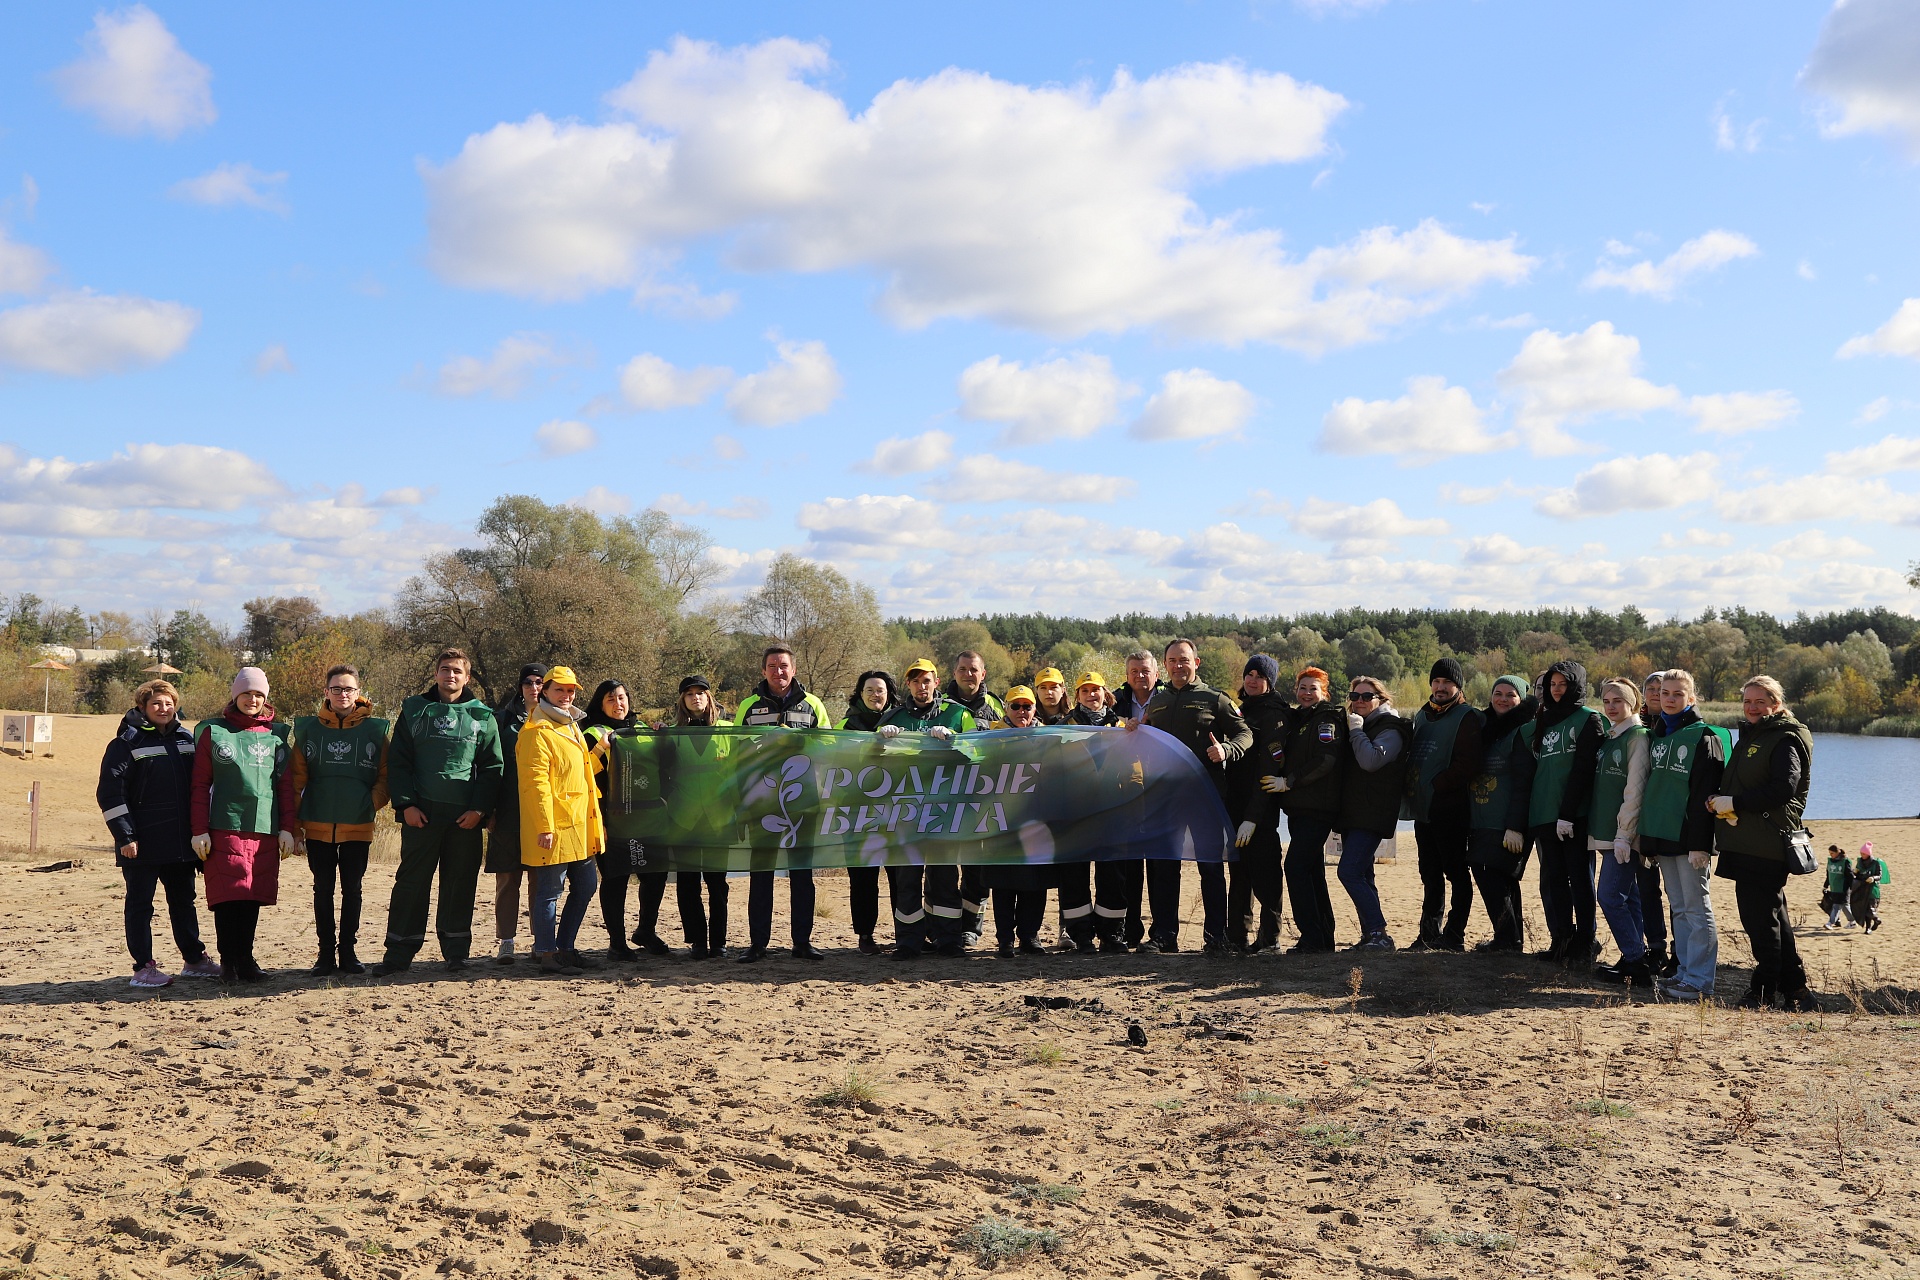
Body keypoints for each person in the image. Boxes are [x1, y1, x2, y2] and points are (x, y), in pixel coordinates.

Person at [373, 649, 504, 976]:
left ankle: (456, 952)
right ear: (436, 674)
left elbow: (492, 768)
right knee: (411, 883)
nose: (451, 675)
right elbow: (399, 762)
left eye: (457, 671)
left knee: (460, 883)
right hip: (422, 815)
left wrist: (479, 810)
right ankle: (398, 953)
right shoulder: (415, 710)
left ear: (467, 677)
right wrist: (406, 805)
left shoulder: (482, 715)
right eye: (445, 669)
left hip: (465, 819)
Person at [98, 678, 220, 988]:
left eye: (168, 703)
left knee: (184, 902)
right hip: (141, 843)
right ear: (142, 707)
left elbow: (202, 787)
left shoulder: (187, 739)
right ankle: (143, 968)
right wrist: (125, 836)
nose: (163, 708)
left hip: (180, 842)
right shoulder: (125, 743)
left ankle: (194, 960)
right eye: (156, 703)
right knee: (140, 906)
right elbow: (111, 793)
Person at [1709, 675, 1816, 1011]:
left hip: (1766, 844)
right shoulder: (1755, 735)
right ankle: (1797, 991)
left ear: (1776, 703)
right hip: (1748, 841)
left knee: (1760, 921)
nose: (1752, 707)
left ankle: (1763, 991)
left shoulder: (1784, 738)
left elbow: (1784, 788)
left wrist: (1735, 803)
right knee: (1773, 917)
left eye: (1760, 701)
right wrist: (1721, 800)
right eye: (1747, 701)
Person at [1136, 638, 1249, 955]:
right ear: (1165, 665)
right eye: (1172, 661)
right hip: (1164, 799)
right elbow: (1144, 737)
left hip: (1205, 797)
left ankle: (1216, 937)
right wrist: (1133, 729)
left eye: (1184, 660)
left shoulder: (1215, 699)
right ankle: (1164, 936)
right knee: (1163, 867)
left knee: (1210, 867)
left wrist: (1226, 750)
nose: (1178, 666)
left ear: (1196, 663)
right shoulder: (1157, 703)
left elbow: (1245, 734)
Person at [189, 667, 298, 982]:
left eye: (258, 694)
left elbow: (285, 787)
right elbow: (200, 785)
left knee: (252, 897)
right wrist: (199, 830)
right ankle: (228, 962)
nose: (252, 699)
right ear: (235, 695)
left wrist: (288, 828)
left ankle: (246, 960)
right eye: (246, 693)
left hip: (264, 830)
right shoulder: (214, 733)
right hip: (224, 828)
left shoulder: (277, 737)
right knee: (228, 897)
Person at [734, 643, 835, 963]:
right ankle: (757, 944)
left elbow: (831, 747)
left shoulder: (813, 704)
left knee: (802, 874)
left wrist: (798, 742)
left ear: (794, 670)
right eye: (772, 666)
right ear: (763, 670)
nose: (778, 671)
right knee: (761, 873)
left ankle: (802, 942)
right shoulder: (749, 705)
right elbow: (738, 752)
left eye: (784, 666)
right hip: (762, 802)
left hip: (803, 801)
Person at [289, 665, 389, 977]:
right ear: (326, 692)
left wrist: (370, 803)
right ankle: (324, 954)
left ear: (358, 693)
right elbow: (295, 780)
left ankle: (348, 952)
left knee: (353, 889)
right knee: (322, 889)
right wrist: (295, 827)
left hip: (357, 826)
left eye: (348, 689)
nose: (342, 694)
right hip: (318, 826)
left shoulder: (375, 731)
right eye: (336, 689)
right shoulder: (308, 730)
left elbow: (386, 776)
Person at [877, 658, 978, 957]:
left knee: (945, 877)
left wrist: (955, 741)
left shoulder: (958, 715)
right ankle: (908, 942)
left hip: (945, 811)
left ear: (936, 682)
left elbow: (979, 752)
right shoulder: (893, 717)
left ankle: (948, 939)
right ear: (908, 684)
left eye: (927, 680)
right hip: (905, 812)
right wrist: (879, 741)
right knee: (907, 879)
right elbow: (868, 762)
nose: (922, 686)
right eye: (916, 681)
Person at [1639, 668, 1728, 1002]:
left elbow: (1704, 795)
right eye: (1665, 693)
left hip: (1690, 840)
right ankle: (1685, 973)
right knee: (1678, 907)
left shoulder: (1704, 737)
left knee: (1696, 907)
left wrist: (1700, 845)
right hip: (1664, 836)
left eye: (1678, 694)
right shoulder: (1659, 734)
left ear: (1691, 698)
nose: (1670, 699)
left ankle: (1701, 981)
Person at [1515, 660, 1604, 965]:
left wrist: (1567, 813)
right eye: (1552, 684)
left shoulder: (1589, 719)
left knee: (1580, 879)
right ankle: (1562, 940)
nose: (1556, 690)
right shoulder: (1544, 720)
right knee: (1555, 880)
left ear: (1576, 686)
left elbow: (1583, 771)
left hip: (1573, 815)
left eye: (1563, 684)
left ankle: (1586, 942)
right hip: (1544, 813)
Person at [517, 665, 603, 975]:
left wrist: (600, 750)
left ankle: (566, 948)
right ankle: (547, 953)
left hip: (579, 825)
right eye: (560, 690)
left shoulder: (570, 724)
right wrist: (545, 827)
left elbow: (579, 771)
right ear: (545, 691)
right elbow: (535, 785)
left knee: (586, 886)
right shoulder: (536, 731)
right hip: (554, 827)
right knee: (550, 892)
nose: (566, 695)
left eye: (570, 690)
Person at [582, 679, 667, 961]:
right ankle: (617, 943)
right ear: (600, 704)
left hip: (649, 820)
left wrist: (664, 737)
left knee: (655, 877)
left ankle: (646, 931)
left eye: (621, 698)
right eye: (610, 699)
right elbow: (584, 774)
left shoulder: (644, 730)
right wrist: (599, 748)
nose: (618, 704)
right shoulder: (592, 733)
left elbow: (665, 765)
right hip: (612, 822)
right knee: (615, 880)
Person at [1405, 657, 1485, 952]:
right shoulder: (1423, 715)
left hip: (1449, 809)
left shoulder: (1468, 717)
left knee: (1456, 873)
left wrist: (1438, 785)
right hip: (1423, 810)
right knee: (1429, 873)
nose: (1440, 687)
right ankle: (1428, 935)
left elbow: (1469, 764)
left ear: (1458, 686)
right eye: (1436, 681)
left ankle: (1454, 935)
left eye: (1447, 682)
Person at [1266, 667, 1345, 953]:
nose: (1307, 693)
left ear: (1325, 692)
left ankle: (1311, 936)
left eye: (1314, 688)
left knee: (1295, 867)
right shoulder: (1300, 718)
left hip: (1317, 807)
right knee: (1312, 871)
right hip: (1299, 808)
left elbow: (1325, 760)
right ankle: (1323, 938)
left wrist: (1290, 781)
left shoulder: (1327, 720)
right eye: (1303, 688)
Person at [1336, 675, 1410, 952]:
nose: (1360, 701)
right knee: (1364, 875)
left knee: (1349, 871)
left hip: (1372, 814)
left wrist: (1356, 731)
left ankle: (1379, 932)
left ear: (1381, 699)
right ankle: (1372, 935)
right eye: (1354, 696)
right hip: (1354, 813)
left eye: (1367, 696)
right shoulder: (1361, 724)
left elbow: (1371, 761)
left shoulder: (1391, 728)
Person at [1588, 678, 1653, 986]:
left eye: (1618, 701)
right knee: (1629, 897)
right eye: (1606, 701)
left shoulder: (1637, 737)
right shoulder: (1612, 736)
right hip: (1606, 832)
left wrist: (1624, 835)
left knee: (1610, 896)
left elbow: (1635, 791)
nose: (1611, 706)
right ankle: (1634, 957)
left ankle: (1635, 960)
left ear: (1633, 703)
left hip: (1623, 834)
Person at [1468, 675, 1537, 952]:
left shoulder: (1522, 732)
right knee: (1502, 878)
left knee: (1488, 872)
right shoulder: (1487, 728)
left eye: (1511, 695)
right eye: (1498, 693)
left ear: (1521, 699)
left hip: (1505, 821)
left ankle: (1507, 939)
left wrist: (1515, 827)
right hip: (1482, 818)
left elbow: (1524, 782)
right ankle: (1511, 939)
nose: (1503, 699)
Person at [1225, 655, 1289, 953]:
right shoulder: (1242, 710)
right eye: (1249, 674)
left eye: (1259, 676)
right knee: (1239, 875)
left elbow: (1269, 769)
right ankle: (1237, 936)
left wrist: (1252, 817)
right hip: (1236, 807)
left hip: (1260, 811)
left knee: (1266, 875)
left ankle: (1270, 938)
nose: (1252, 680)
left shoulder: (1274, 715)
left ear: (1270, 682)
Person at [669, 675, 735, 959]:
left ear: (709, 697)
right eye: (689, 693)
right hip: (683, 818)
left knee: (717, 885)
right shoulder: (671, 733)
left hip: (719, 819)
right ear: (682, 700)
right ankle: (697, 940)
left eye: (701, 693)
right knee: (687, 884)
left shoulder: (730, 730)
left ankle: (718, 941)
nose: (695, 697)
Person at [943, 649, 1005, 943]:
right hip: (945, 795)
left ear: (983, 673)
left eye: (973, 669)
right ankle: (941, 928)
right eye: (962, 669)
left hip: (982, 795)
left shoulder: (996, 706)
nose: (968, 674)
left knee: (976, 867)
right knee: (942, 866)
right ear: (954, 673)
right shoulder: (941, 705)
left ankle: (970, 927)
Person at [983, 687, 1050, 957]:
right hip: (1001, 818)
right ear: (1006, 708)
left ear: (1034, 709)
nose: (1022, 711)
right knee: (1003, 882)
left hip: (1037, 819)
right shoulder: (990, 735)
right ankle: (1005, 939)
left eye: (1027, 706)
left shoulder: (1048, 736)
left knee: (1035, 881)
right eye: (1015, 706)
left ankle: (1030, 936)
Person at [837, 669, 900, 953]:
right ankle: (865, 935)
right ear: (860, 694)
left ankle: (906, 933)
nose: (876, 695)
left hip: (898, 812)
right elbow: (836, 764)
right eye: (870, 690)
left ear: (889, 694)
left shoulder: (902, 721)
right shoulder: (845, 725)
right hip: (857, 813)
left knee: (901, 876)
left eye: (881, 690)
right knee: (863, 878)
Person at [486, 663, 545, 965]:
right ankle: (506, 941)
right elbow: (489, 768)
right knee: (508, 880)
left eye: (540, 682)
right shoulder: (501, 721)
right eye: (528, 683)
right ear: (520, 687)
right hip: (507, 812)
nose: (534, 688)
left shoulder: (558, 720)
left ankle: (541, 941)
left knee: (541, 881)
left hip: (542, 815)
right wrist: (489, 810)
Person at [1070, 670, 1131, 952]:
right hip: (1075, 813)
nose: (1091, 695)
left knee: (1113, 876)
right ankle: (1081, 935)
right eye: (1084, 691)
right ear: (1077, 696)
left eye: (1095, 690)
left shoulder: (1121, 726)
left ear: (1105, 693)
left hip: (1112, 811)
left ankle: (1111, 934)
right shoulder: (1064, 726)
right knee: (1075, 875)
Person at [1109, 650, 1165, 945]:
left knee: (1160, 866)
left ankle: (1161, 932)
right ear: (1127, 675)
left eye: (1145, 671)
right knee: (1129, 867)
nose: (1140, 676)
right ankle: (1130, 931)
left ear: (1157, 673)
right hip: (1125, 792)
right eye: (1134, 671)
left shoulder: (1170, 698)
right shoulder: (1114, 701)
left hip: (1161, 791)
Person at [1636, 670, 1675, 976]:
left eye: (1661, 688)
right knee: (1645, 888)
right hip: (1641, 821)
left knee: (1677, 892)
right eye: (1650, 688)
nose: (1655, 692)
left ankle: (1680, 951)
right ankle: (1655, 947)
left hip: (1670, 820)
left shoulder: (1680, 729)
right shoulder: (1634, 727)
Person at [1852, 843, 1886, 935]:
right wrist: (1855, 872)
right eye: (1861, 853)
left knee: (1870, 908)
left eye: (1864, 853)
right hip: (1862, 887)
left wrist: (1873, 878)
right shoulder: (1860, 862)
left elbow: (1879, 875)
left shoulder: (1876, 863)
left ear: (1868, 854)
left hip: (1872, 889)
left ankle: (1874, 921)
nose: (1862, 855)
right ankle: (1871, 925)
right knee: (1864, 908)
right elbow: (1857, 873)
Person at [1822, 846, 1854, 928]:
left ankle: (1830, 923)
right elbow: (1828, 875)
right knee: (1845, 906)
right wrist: (1825, 885)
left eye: (1832, 853)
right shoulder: (1830, 861)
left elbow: (1850, 876)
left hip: (1843, 888)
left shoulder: (1845, 862)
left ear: (1837, 852)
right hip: (1834, 888)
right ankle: (1852, 921)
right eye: (1830, 853)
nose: (1831, 855)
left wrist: (1852, 887)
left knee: (1836, 906)